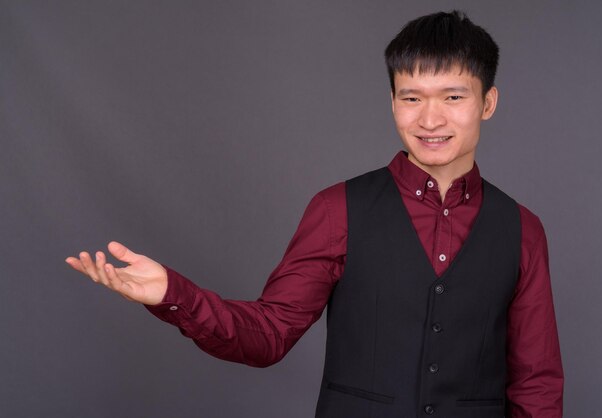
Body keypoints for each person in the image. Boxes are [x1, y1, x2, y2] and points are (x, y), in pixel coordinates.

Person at [66, 10, 563, 417]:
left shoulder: (523, 229)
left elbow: (537, 386)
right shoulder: (337, 209)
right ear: (392, 102)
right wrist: (174, 295)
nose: (430, 119)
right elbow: (267, 336)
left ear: (488, 102)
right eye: (412, 98)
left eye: (453, 97)